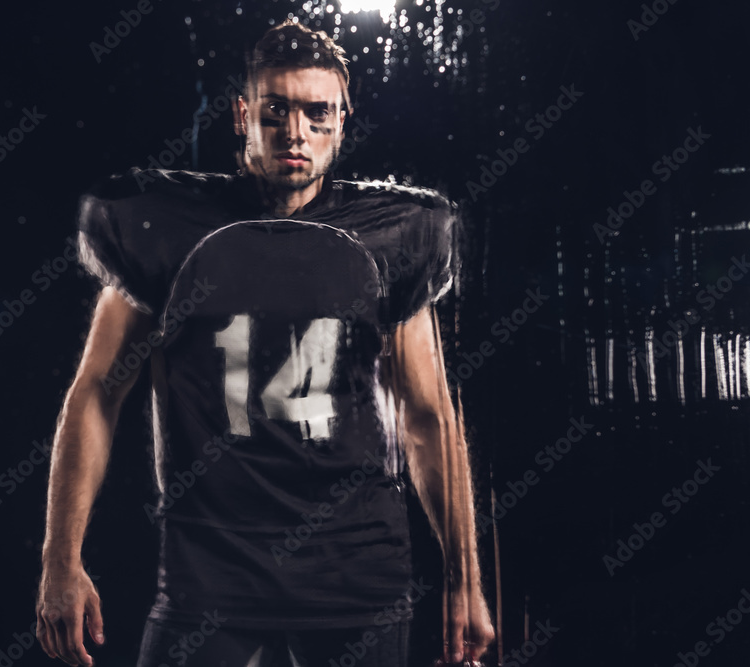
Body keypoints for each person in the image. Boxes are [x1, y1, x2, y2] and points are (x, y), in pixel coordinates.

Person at [35, 18, 495, 667]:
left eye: (316, 113)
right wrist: (61, 558)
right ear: (243, 113)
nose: (296, 132)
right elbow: (97, 391)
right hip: (210, 576)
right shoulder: (166, 225)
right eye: (277, 111)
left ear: (343, 117)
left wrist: (464, 579)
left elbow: (427, 418)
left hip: (356, 573)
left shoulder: (390, 235)